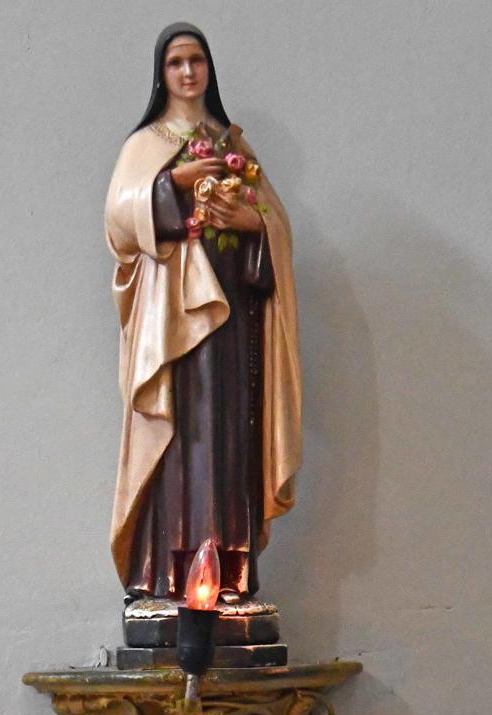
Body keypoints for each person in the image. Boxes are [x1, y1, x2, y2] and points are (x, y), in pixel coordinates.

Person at [105, 22, 301, 603]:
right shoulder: (146, 145)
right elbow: (119, 221)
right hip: (175, 323)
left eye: (196, 61)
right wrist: (173, 184)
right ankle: (167, 572)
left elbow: (276, 228)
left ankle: (230, 572)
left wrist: (252, 224)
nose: (188, 72)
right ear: (161, 74)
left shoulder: (232, 145)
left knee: (230, 436)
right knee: (181, 433)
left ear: (210, 69)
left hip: (232, 322)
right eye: (176, 63)